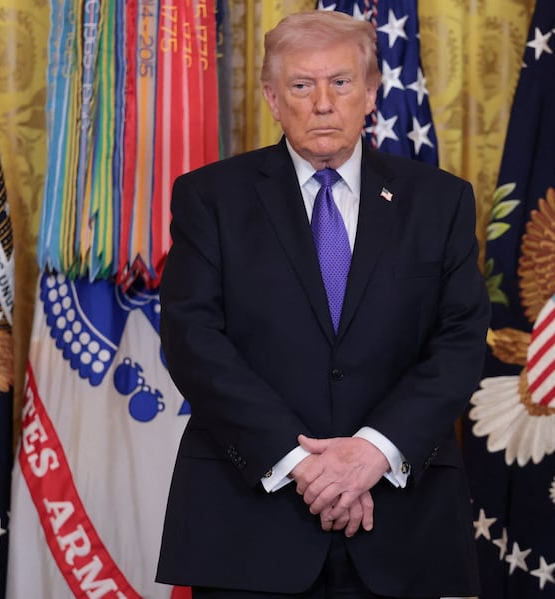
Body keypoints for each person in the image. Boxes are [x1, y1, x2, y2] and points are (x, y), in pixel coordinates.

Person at [156, 9, 490, 599]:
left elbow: (460, 342)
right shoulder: (210, 198)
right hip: (248, 523)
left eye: (340, 82)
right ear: (272, 97)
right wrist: (302, 465)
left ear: (370, 93)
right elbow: (193, 340)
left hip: (400, 522)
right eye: (301, 85)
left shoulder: (441, 202)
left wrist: (372, 453)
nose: (322, 103)